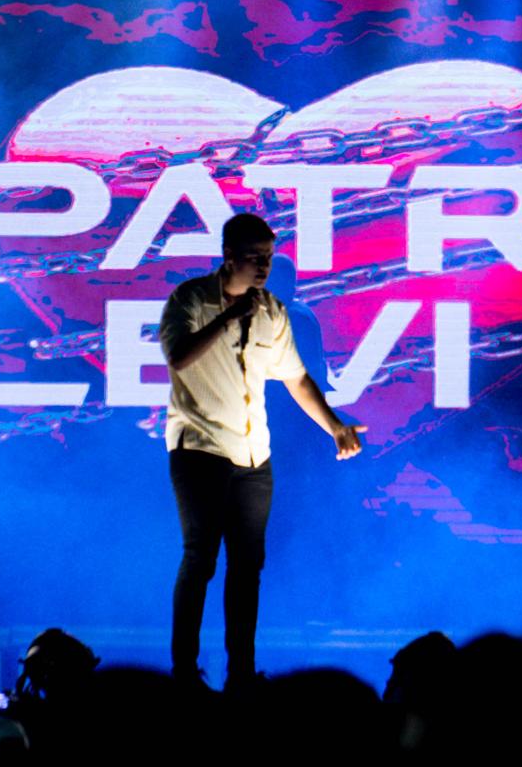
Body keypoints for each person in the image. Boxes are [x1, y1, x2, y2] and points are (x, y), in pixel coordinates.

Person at [158, 213, 365, 691]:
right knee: (201, 559)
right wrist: (227, 319)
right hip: (200, 447)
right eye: (256, 258)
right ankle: (185, 674)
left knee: (247, 566)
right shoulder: (191, 299)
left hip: (254, 453)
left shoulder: (276, 312)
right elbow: (178, 356)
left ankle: (241, 674)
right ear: (229, 256)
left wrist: (334, 427)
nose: (264, 268)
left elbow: (297, 378)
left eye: (269, 259)